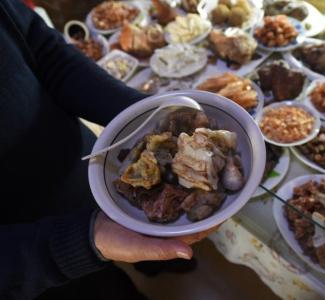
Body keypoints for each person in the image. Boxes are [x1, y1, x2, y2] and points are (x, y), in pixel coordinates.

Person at [0, 0, 215, 299]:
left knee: (151, 233)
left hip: (93, 173)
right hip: (35, 262)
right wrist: (77, 245)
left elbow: (44, 52)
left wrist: (142, 114)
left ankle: (156, 267)